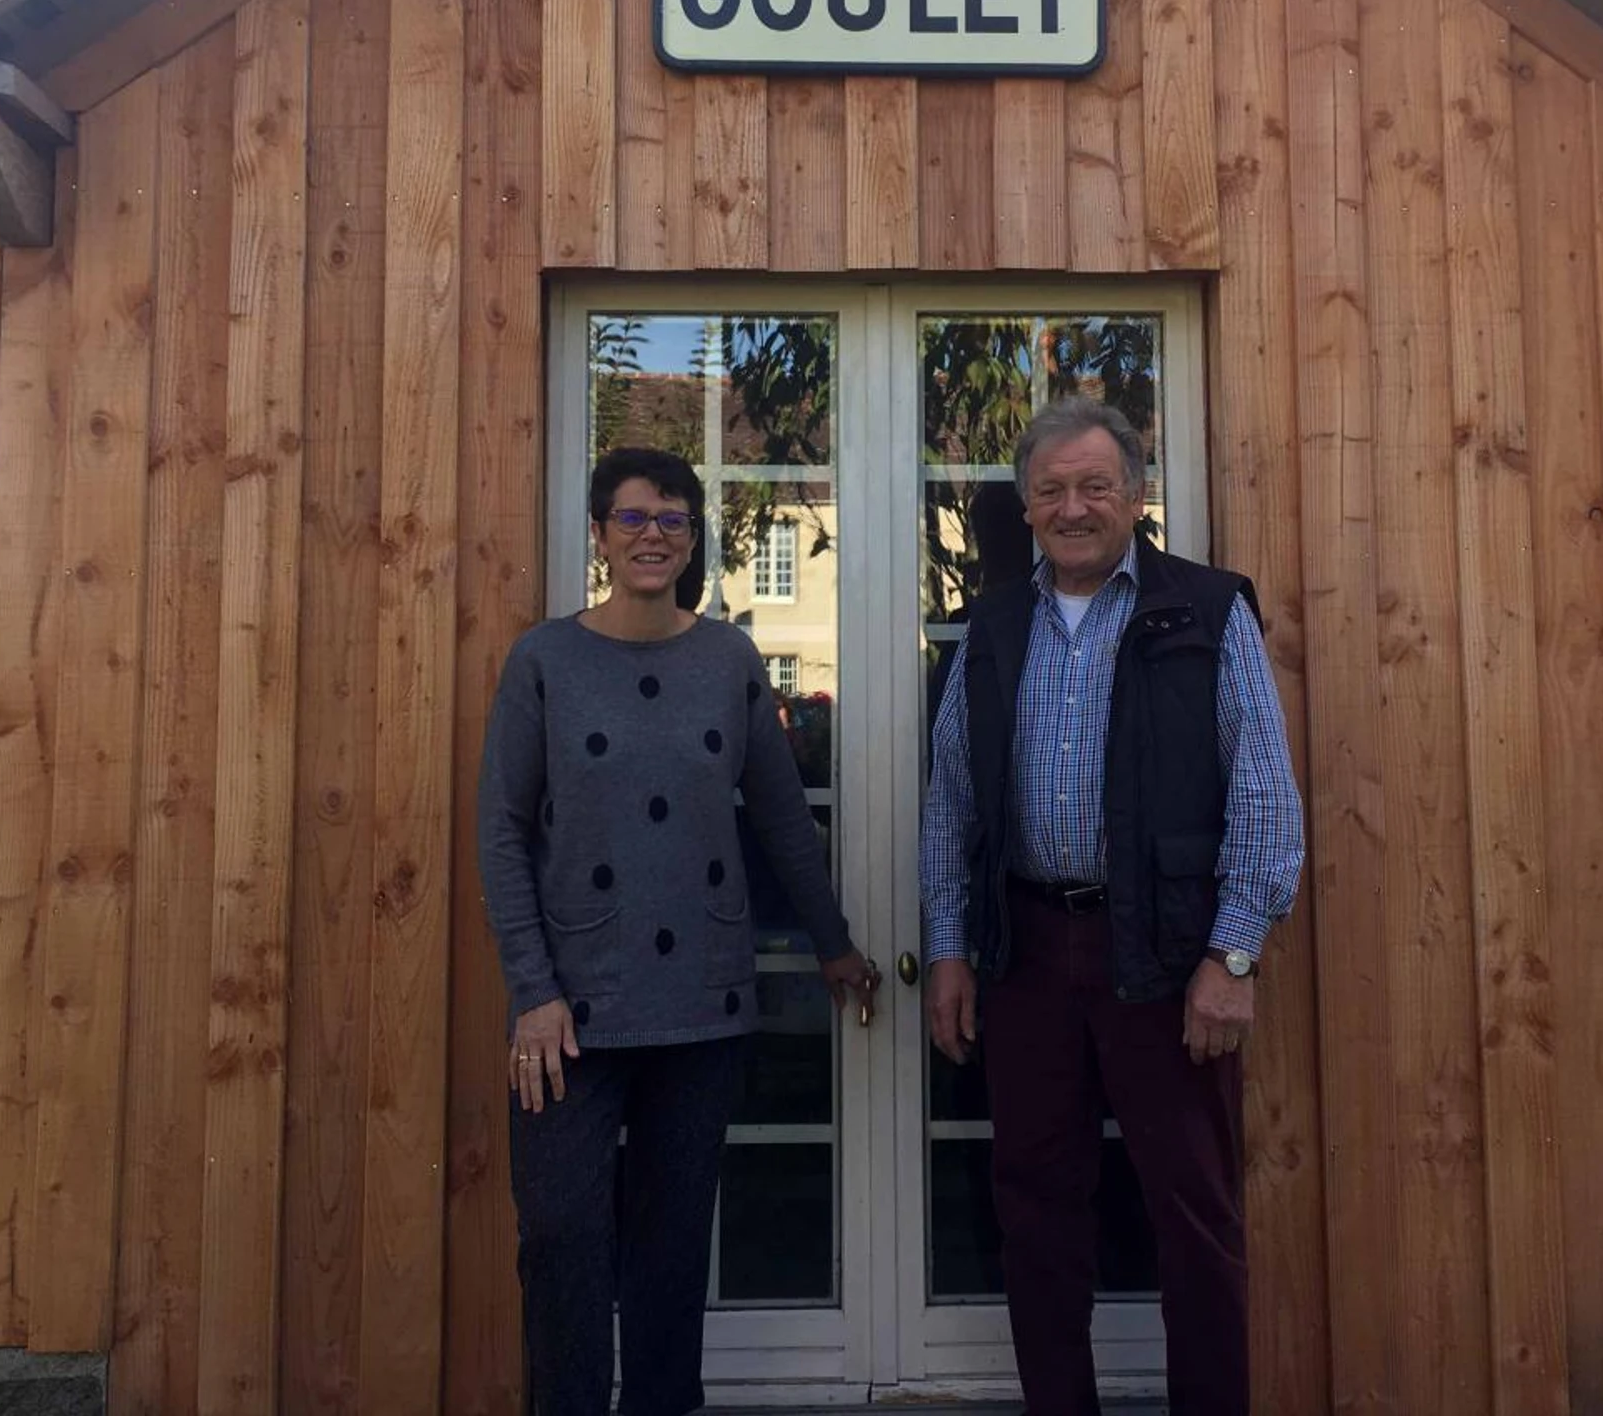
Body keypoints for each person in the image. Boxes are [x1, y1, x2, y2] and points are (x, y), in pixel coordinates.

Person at [919, 397, 1305, 1416]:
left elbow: (1265, 795)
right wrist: (950, 949)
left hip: (1168, 959)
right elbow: (952, 800)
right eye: (1051, 490)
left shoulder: (1207, 610)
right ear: (1026, 507)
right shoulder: (995, 626)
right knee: (1036, 1214)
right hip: (1028, 954)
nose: (1073, 507)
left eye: (1095, 485)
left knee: (1194, 1215)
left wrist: (1232, 957)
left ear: (1136, 495)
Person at [480, 445, 879, 1416]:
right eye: (632, 518)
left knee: (670, 1245)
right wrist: (532, 990)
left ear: (693, 539)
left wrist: (833, 943)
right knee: (561, 1235)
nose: (651, 536)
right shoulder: (544, 661)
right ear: (599, 534)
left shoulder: (729, 659)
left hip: (701, 998)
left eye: (671, 520)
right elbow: (502, 831)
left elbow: (781, 818)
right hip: (570, 1009)